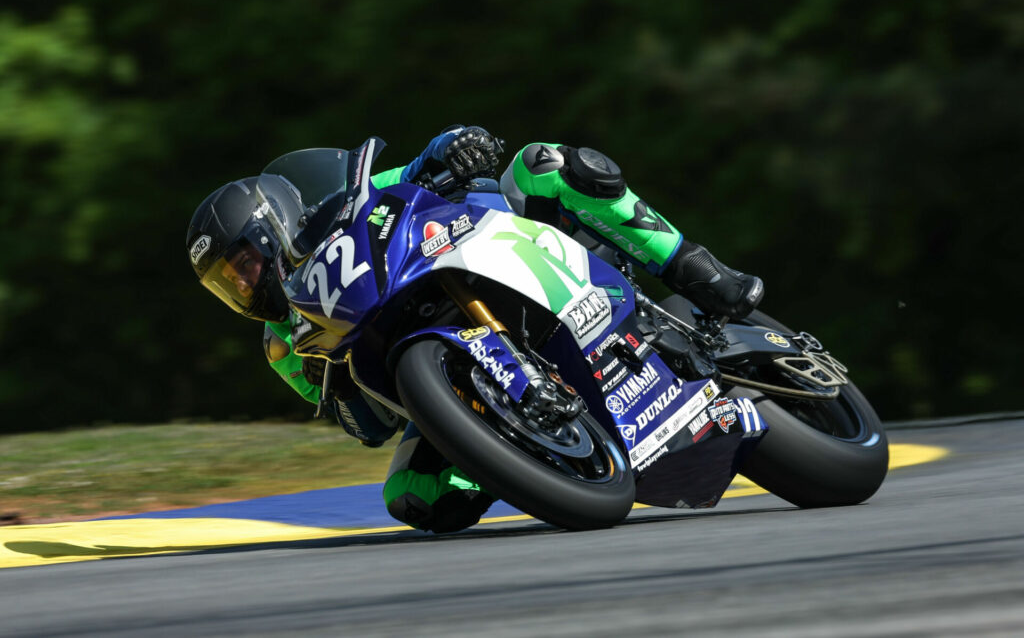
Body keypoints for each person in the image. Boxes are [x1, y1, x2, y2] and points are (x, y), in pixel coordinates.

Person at [185, 125, 764, 534]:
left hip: (484, 250)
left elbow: (409, 170)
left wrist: (453, 147)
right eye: (226, 285)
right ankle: (520, 456)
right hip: (446, 373)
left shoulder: (339, 205)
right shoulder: (285, 343)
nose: (242, 287)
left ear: (272, 228)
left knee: (549, 163)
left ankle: (697, 269)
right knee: (413, 497)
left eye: (242, 266)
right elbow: (370, 427)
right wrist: (336, 385)